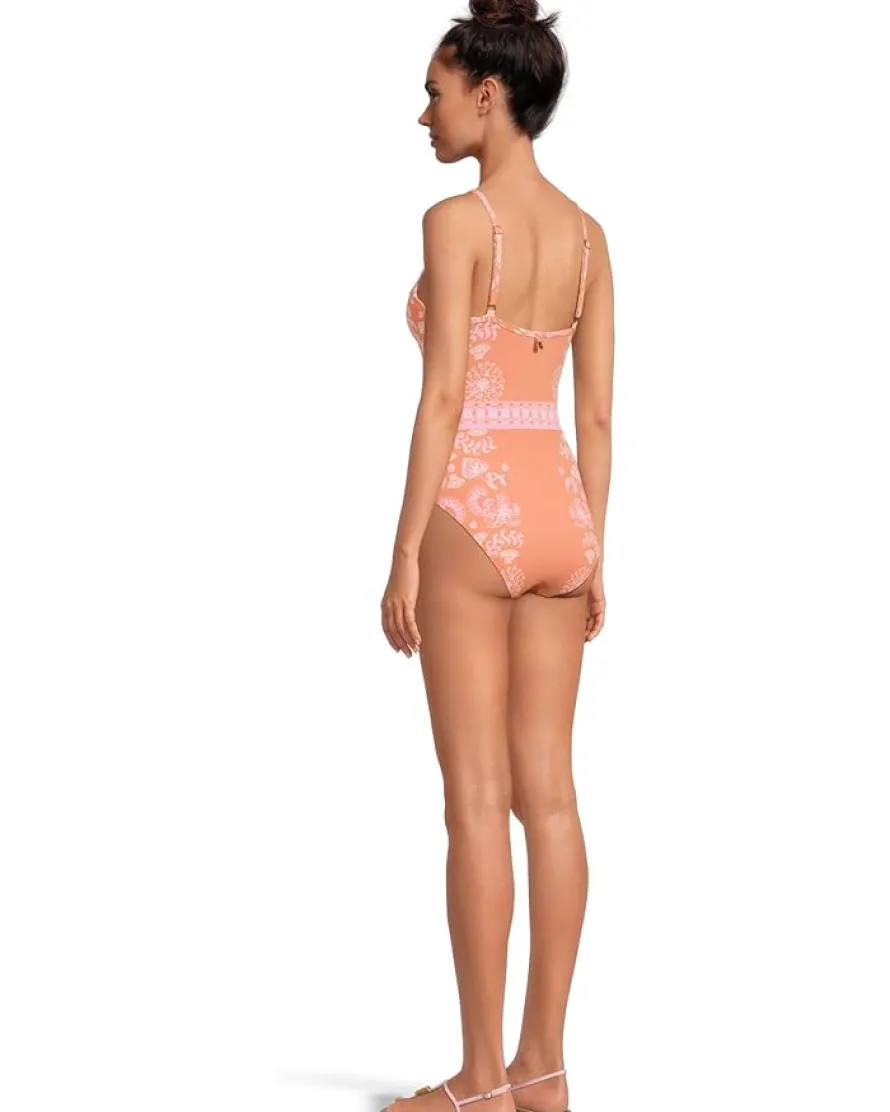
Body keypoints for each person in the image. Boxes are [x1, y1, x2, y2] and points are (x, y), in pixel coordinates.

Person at [380, 2, 614, 1112]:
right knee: (549, 798)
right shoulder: (587, 236)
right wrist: (594, 550)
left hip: (473, 508)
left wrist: (401, 552)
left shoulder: (457, 219)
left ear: (487, 94)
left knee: (476, 798)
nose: (421, 114)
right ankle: (543, 1069)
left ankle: (479, 1082)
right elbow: (596, 413)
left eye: (434, 93)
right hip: (560, 510)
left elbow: (442, 399)